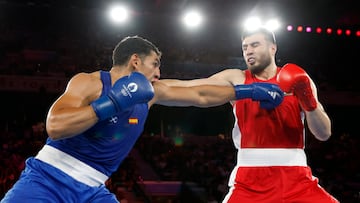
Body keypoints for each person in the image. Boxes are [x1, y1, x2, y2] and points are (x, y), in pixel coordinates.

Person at [1, 35, 284, 203]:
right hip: (46, 179)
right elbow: (55, 127)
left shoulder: (150, 94)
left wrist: (249, 90)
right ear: (136, 61)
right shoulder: (89, 83)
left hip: (93, 190)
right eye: (155, 64)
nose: (159, 73)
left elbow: (199, 93)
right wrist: (111, 103)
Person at [161, 27, 339, 203]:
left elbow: (323, 133)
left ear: (272, 48)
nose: (249, 51)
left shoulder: (299, 79)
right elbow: (192, 88)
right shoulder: (237, 78)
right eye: (245, 47)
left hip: (297, 180)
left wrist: (308, 100)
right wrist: (150, 86)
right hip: (250, 182)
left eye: (255, 45)